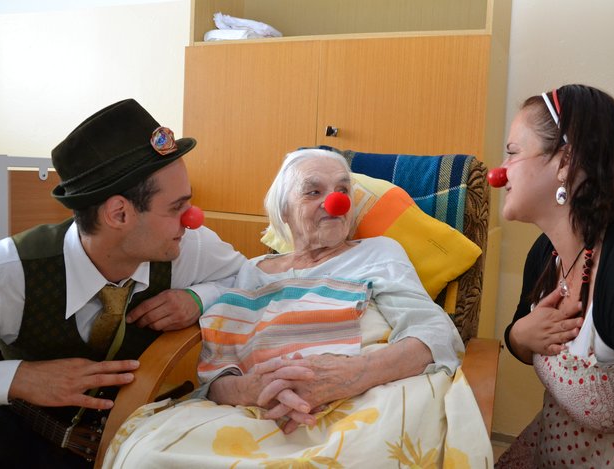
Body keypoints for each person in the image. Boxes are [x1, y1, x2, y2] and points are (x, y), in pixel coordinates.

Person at [103, 148, 492, 468]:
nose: (335, 201)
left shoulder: (378, 252)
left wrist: (353, 374)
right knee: (147, 453)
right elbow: (219, 371)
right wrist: (249, 389)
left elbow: (436, 333)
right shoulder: (252, 272)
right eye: (313, 191)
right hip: (263, 409)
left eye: (343, 190)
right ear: (284, 212)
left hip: (365, 395)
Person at [0, 99, 247, 468]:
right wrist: (16, 378)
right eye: (176, 207)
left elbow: (251, 279)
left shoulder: (188, 246)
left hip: (131, 445)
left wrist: (199, 298)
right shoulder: (12, 270)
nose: (193, 219)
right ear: (119, 213)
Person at [494, 84, 614, 469]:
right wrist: (518, 336)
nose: (499, 172)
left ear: (565, 162)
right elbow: (522, 337)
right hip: (549, 448)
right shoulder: (546, 253)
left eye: (513, 152)